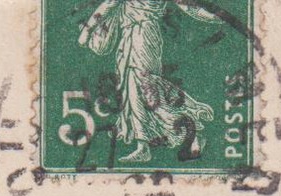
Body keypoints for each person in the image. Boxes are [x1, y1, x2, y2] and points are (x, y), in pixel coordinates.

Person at [79, 0, 222, 161]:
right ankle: (143, 146)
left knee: (143, 87)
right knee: (130, 89)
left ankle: (191, 134)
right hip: (128, 37)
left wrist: (215, 17)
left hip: (143, 36)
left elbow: (188, 6)